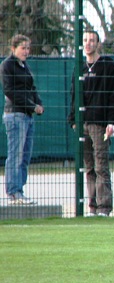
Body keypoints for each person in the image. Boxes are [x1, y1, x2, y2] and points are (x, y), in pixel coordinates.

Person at [68, 30, 114, 217]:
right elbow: (74, 94)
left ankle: (104, 208)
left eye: (92, 40)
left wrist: (112, 122)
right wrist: (73, 120)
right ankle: (92, 207)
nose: (88, 43)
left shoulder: (108, 65)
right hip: (82, 123)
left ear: (98, 43)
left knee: (101, 166)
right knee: (89, 167)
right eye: (85, 40)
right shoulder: (79, 66)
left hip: (100, 124)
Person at [0, 34, 44, 205]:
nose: (26, 51)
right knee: (15, 155)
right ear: (13, 48)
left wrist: (38, 103)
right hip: (15, 115)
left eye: (28, 48)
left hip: (28, 116)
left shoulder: (25, 66)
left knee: (25, 156)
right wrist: (31, 106)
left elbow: (31, 88)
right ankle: (13, 191)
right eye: (23, 48)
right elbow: (10, 92)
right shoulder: (6, 66)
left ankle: (20, 190)